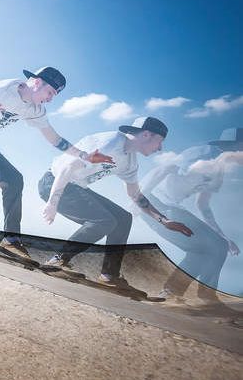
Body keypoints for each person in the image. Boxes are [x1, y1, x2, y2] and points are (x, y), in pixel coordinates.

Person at [0, 67, 113, 263]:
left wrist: (84, 155)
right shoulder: (3, 91)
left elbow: (53, 138)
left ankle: (11, 240)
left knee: (14, 179)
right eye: (50, 93)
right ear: (37, 82)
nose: (50, 99)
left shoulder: (35, 109)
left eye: (54, 95)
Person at [38, 116, 194, 286]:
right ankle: (57, 261)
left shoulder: (130, 162)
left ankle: (109, 275)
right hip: (54, 182)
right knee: (104, 221)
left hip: (76, 187)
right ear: (147, 135)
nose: (160, 148)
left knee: (123, 219)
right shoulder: (109, 143)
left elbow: (135, 195)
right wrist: (53, 203)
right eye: (160, 141)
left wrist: (164, 220)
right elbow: (68, 168)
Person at [139, 127, 241, 298]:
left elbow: (203, 205)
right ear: (237, 146)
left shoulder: (219, 171)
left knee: (204, 249)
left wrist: (222, 236)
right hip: (155, 203)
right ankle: (206, 298)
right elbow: (164, 169)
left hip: (171, 207)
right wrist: (139, 200)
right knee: (215, 248)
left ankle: (171, 293)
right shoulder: (205, 154)